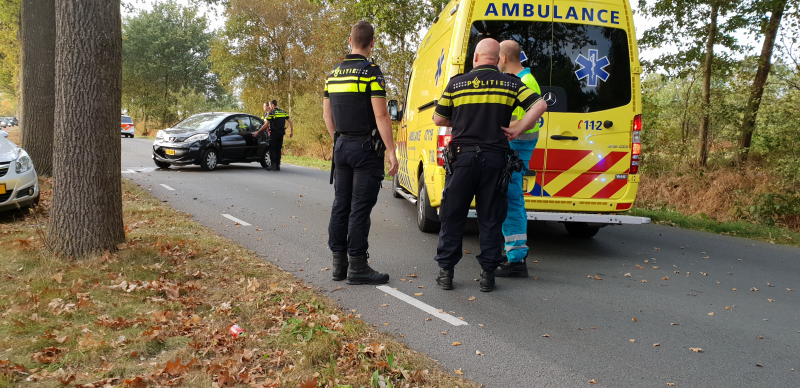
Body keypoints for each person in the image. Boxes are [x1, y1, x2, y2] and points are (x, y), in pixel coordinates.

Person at [432, 38, 547, 292]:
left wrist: (462, 114)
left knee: (453, 215)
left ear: (476, 57)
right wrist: (518, 126)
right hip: (495, 162)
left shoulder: (457, 83)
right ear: (497, 60)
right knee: (491, 218)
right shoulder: (511, 83)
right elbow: (540, 105)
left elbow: (438, 118)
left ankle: (446, 273)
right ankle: (487, 276)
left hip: (462, 161)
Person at [322, 21, 399, 285]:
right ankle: (357, 266)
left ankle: (337, 264)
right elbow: (381, 114)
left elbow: (326, 114)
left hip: (341, 147)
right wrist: (391, 151)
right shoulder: (371, 72)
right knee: (359, 208)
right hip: (366, 149)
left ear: (350, 40)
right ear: (372, 42)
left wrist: (338, 140)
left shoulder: (333, 74)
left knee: (340, 204)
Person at [495, 40, 542, 278]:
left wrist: (495, 128)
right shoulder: (524, 80)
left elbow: (524, 122)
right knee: (509, 199)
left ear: (503, 58)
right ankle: (512, 253)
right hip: (515, 148)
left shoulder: (523, 82)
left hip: (516, 148)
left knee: (512, 201)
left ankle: (516, 260)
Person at [254, 100, 294, 171]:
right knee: (278, 149)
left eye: (269, 105)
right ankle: (278, 165)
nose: (269, 106)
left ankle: (273, 165)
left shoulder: (272, 113)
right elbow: (290, 122)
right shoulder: (283, 112)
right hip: (281, 133)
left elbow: (266, 124)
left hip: (274, 133)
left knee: (272, 148)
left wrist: (258, 131)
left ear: (272, 105)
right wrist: (291, 132)